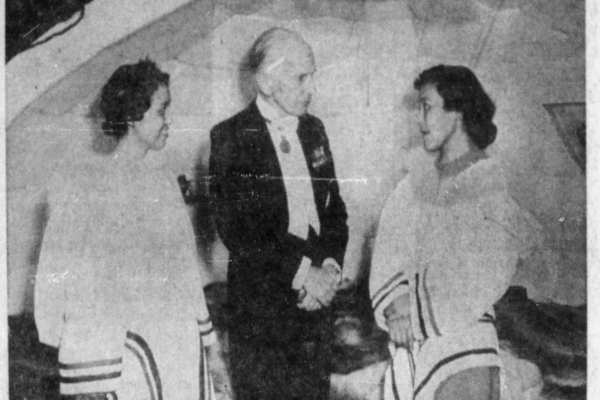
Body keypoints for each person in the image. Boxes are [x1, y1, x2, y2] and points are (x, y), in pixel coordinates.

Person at [34, 59, 216, 400]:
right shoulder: (84, 185)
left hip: (177, 345)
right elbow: (55, 273)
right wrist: (75, 359)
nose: (168, 121)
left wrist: (210, 344)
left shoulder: (164, 181)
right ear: (133, 115)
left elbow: (186, 269)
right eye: (161, 110)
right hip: (121, 357)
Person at [369, 65, 542, 400]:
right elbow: (389, 250)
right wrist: (395, 306)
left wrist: (414, 313)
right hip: (409, 339)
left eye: (427, 107)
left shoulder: (489, 186)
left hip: (465, 341)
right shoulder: (412, 185)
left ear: (457, 111)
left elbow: (482, 277)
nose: (419, 120)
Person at [208, 27, 349, 400]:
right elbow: (238, 231)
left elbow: (334, 209)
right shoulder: (230, 137)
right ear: (266, 82)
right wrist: (304, 274)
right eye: (302, 77)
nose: (312, 88)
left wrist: (330, 268)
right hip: (261, 311)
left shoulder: (314, 129)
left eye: (312, 76)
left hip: (317, 306)